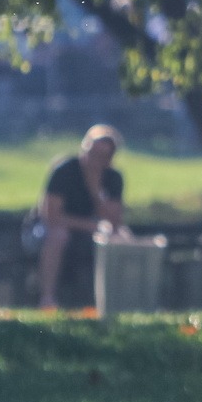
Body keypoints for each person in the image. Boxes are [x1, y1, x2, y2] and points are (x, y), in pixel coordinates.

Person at [35, 125, 127, 309]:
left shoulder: (113, 178)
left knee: (121, 238)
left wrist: (96, 191)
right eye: (94, 155)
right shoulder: (65, 171)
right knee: (58, 236)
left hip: (92, 230)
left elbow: (114, 221)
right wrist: (90, 226)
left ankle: (115, 300)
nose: (97, 161)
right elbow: (51, 216)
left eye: (104, 157)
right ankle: (48, 298)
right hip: (50, 229)